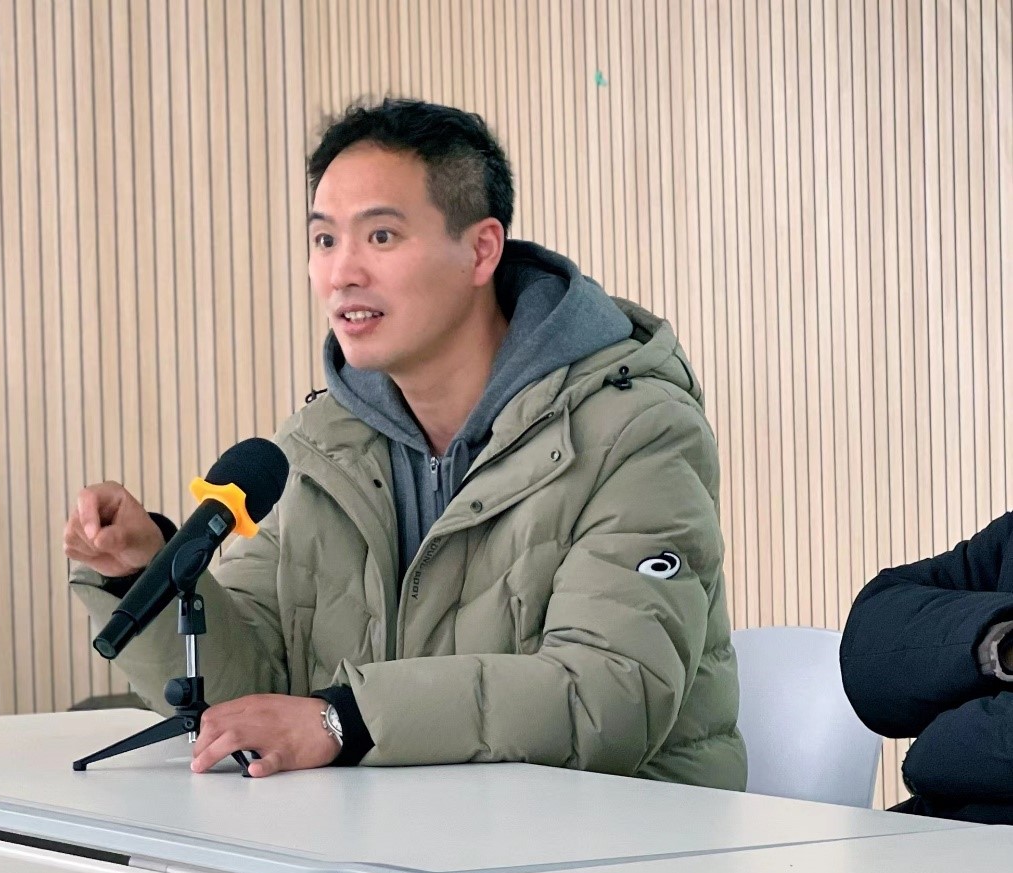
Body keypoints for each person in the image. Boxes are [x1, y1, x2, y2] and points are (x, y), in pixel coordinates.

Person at [64, 98, 745, 788]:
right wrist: (142, 573)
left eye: (381, 236)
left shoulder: (635, 431)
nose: (342, 272)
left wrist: (345, 721)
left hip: (618, 837)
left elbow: (609, 693)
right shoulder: (323, 446)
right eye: (324, 241)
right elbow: (253, 689)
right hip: (399, 830)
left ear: (480, 250)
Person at [841, 510, 1013, 822]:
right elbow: (872, 639)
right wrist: (1000, 642)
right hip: (942, 826)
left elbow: (940, 758)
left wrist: (939, 741)